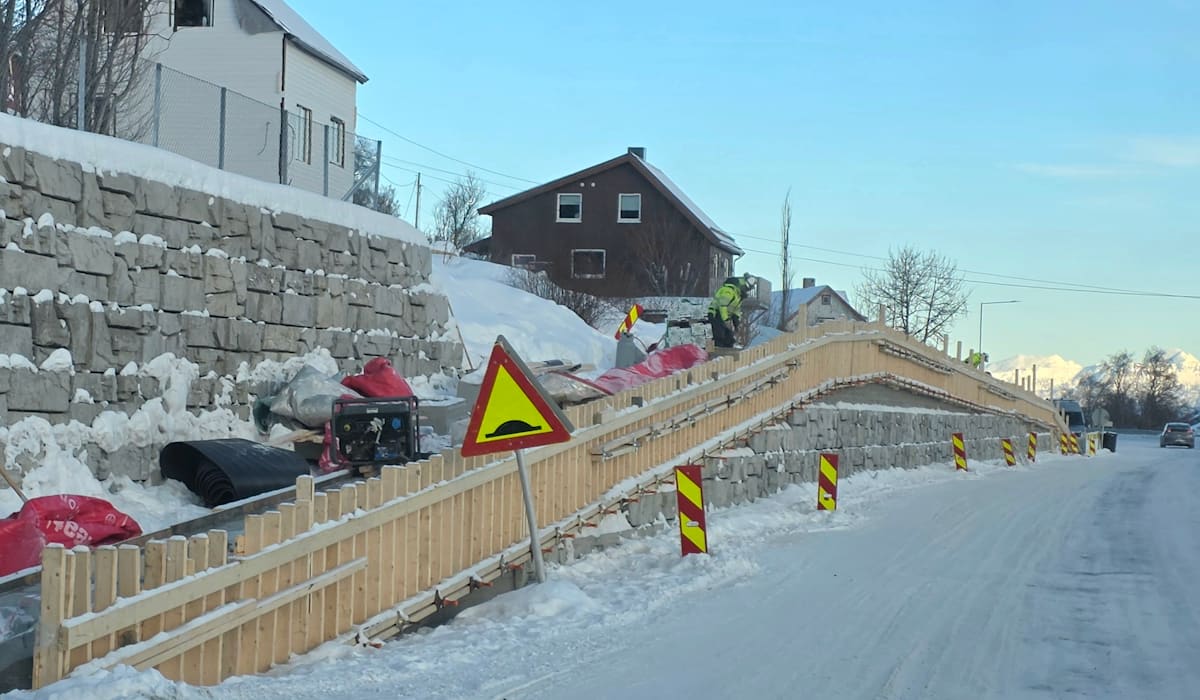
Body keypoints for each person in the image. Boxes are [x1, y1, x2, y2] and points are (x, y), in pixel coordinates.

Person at [707, 274, 752, 348]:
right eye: (747, 289)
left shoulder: (738, 295)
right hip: (715, 314)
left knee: (729, 338)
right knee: (718, 335)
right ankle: (712, 353)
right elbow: (722, 306)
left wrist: (736, 320)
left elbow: (736, 309)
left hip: (724, 316)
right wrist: (726, 319)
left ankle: (726, 352)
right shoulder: (728, 290)